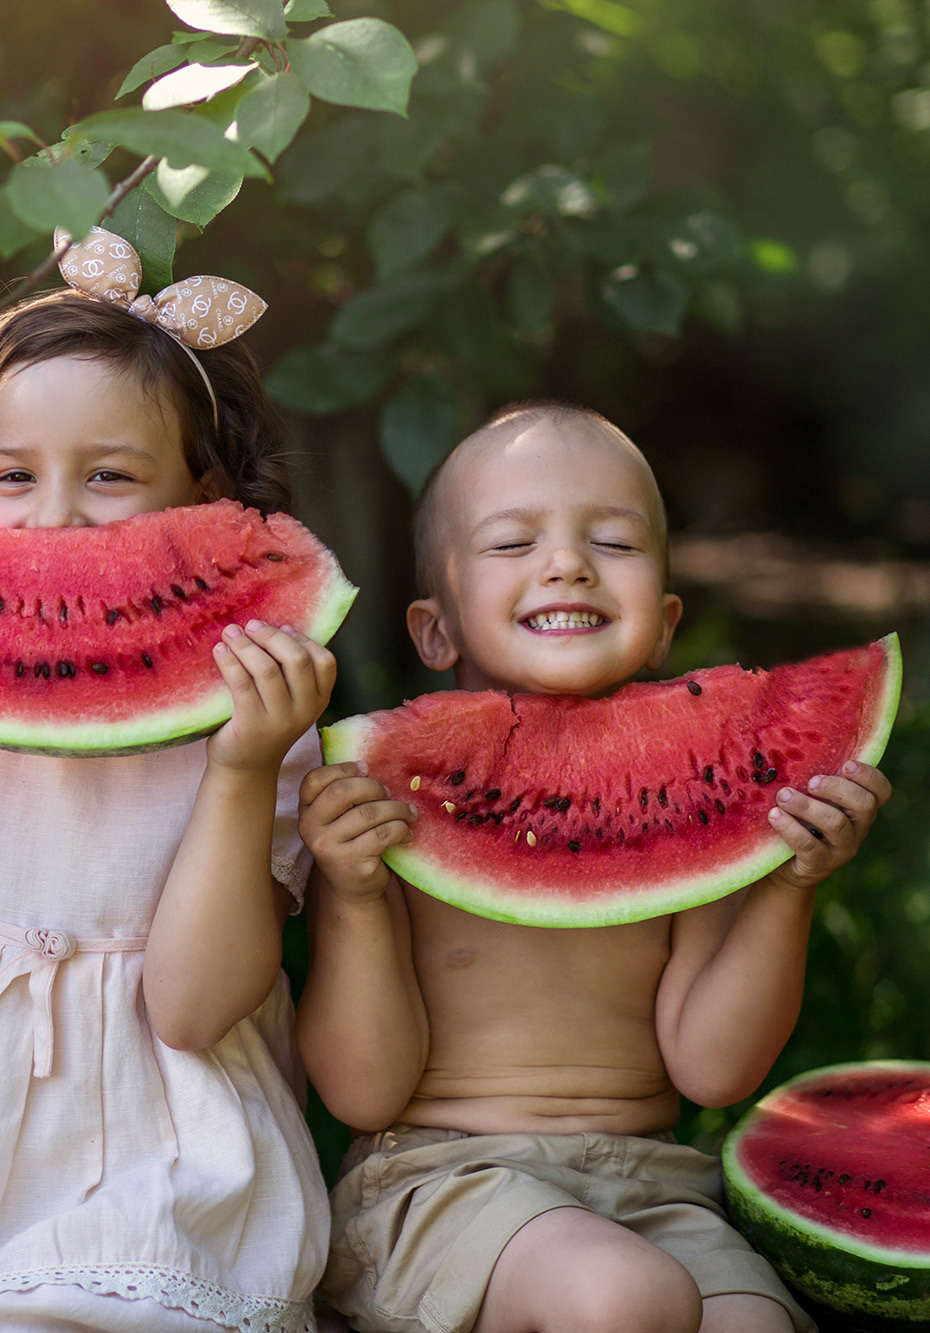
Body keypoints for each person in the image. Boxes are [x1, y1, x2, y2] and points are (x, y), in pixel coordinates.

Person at [0, 228, 334, 1331]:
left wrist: (238, 769)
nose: (55, 515)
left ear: (209, 499)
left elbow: (187, 1006)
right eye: (14, 477)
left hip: (171, 1159)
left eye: (109, 476)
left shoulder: (259, 712)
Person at [299, 403, 891, 1333]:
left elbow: (713, 1067)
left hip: (658, 1186)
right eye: (512, 543)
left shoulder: (697, 800)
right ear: (434, 630)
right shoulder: (388, 804)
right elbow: (362, 1091)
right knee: (622, 1296)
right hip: (441, 1182)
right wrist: (358, 894)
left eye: (611, 540)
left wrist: (788, 882)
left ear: (663, 624)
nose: (567, 562)